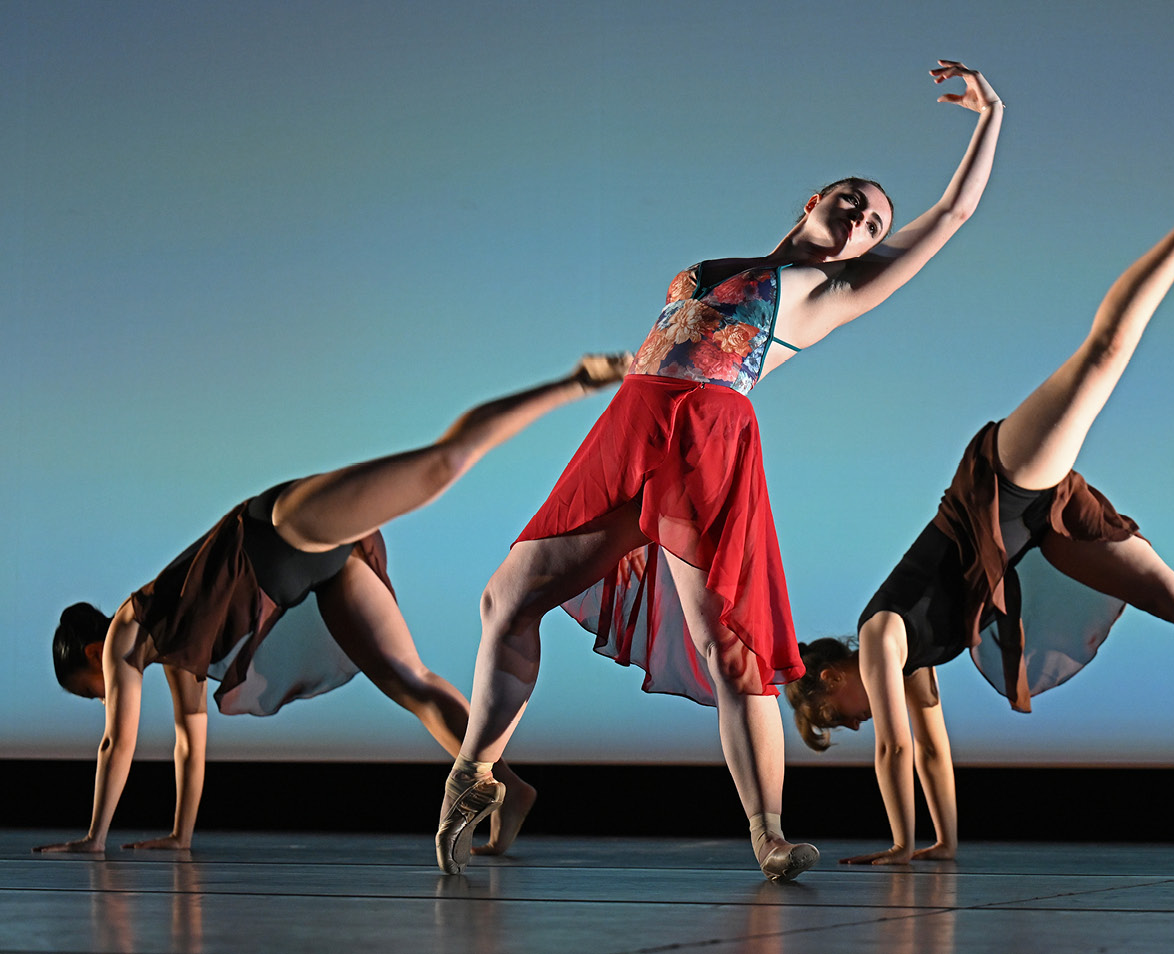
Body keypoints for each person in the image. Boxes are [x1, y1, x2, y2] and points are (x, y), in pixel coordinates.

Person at [435, 60, 1005, 882]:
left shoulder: (828, 290)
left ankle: (769, 834)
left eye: (877, 222)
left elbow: (953, 212)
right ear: (815, 198)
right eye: (854, 200)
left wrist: (989, 115)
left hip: (708, 435)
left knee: (730, 646)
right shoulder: (728, 263)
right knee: (506, 598)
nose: (864, 220)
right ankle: (476, 778)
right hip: (633, 420)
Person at [784, 157, 1174, 866]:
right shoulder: (907, 662)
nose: (861, 722)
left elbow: (896, 747)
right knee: (1172, 596)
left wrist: (897, 845)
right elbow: (930, 748)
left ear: (833, 680)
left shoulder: (880, 635)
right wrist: (939, 845)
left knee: (1103, 354)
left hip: (995, 487)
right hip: (1031, 534)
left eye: (843, 718)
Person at [35, 354, 629, 855]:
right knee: (410, 681)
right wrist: (180, 837)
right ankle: (504, 783)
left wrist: (94, 839)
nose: (107, 695)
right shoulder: (178, 643)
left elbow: (118, 743)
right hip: (320, 569)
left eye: (94, 689)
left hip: (276, 529)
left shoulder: (129, 631)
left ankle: (575, 382)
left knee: (443, 463)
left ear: (94, 650)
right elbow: (190, 742)